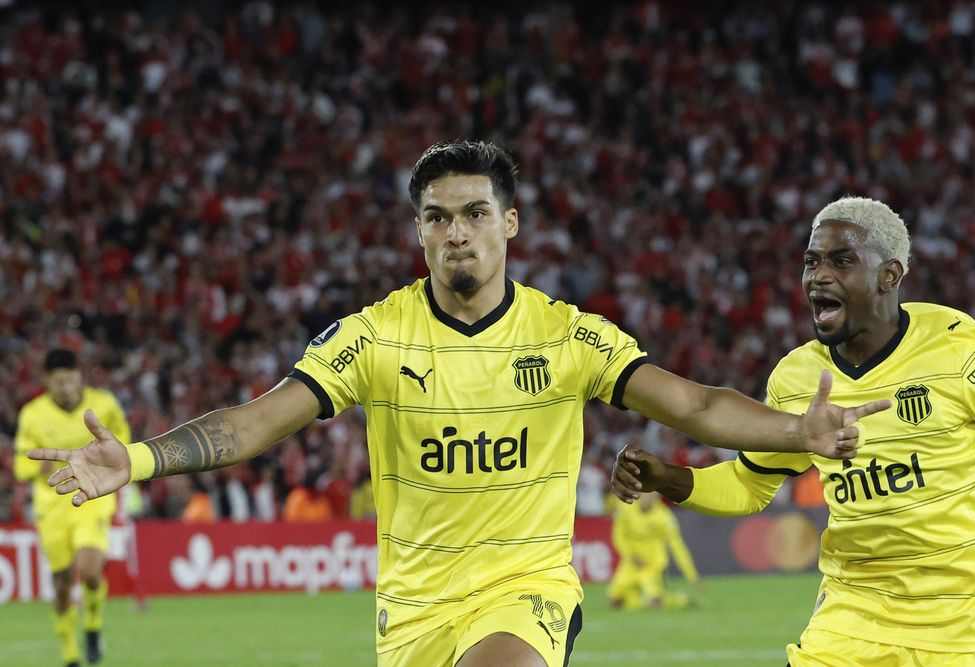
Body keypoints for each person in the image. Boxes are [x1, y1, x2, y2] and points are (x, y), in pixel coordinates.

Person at [30, 142, 888, 667]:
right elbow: (259, 419)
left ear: (509, 223)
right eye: (437, 217)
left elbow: (692, 403)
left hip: (525, 588)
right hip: (412, 612)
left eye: (475, 212)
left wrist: (796, 430)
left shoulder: (567, 335)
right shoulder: (374, 337)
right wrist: (136, 457)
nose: (456, 231)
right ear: (418, 232)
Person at [612, 196, 975, 666]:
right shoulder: (798, 378)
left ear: (889, 275)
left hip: (967, 632)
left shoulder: (960, 351)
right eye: (812, 262)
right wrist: (668, 479)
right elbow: (748, 485)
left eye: (842, 261)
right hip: (849, 625)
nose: (819, 276)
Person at [14, 348, 132, 667]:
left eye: (70, 380)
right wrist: (37, 468)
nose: (66, 388)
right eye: (59, 382)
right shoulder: (33, 414)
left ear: (80, 377)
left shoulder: (103, 405)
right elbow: (20, 464)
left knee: (91, 572)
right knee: (62, 583)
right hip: (52, 505)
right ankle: (70, 654)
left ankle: (92, 623)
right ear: (47, 382)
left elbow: (123, 443)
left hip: (92, 498)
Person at [607, 492, 699, 611]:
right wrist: (630, 555)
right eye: (647, 494)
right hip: (632, 561)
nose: (650, 498)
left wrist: (692, 575)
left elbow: (677, 546)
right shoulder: (626, 509)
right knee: (615, 601)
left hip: (654, 562)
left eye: (653, 495)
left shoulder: (664, 515)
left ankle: (672, 600)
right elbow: (619, 537)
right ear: (639, 494)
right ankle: (678, 599)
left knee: (655, 599)